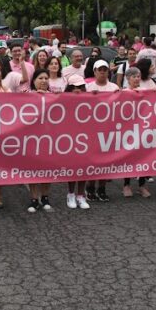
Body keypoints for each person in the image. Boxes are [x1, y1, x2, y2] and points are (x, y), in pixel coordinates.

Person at [84, 60, 120, 201]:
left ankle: (102, 189)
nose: (103, 72)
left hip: (109, 129)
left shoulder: (114, 87)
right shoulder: (88, 87)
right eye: (100, 70)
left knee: (106, 161)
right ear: (95, 71)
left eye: (105, 69)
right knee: (92, 160)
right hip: (92, 130)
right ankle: (90, 188)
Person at [26, 69, 53, 212]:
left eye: (46, 78)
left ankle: (45, 197)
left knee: (46, 169)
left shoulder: (55, 96)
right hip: (31, 139)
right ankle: (34, 198)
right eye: (40, 78)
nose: (43, 81)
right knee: (32, 170)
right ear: (34, 80)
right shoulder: (26, 96)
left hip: (49, 139)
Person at [121, 67, 151, 198]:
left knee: (143, 156)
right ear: (128, 79)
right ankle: (126, 185)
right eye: (134, 76)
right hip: (128, 129)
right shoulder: (123, 92)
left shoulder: (145, 91)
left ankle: (142, 185)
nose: (137, 79)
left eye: (138, 76)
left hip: (143, 128)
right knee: (129, 156)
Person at [64, 74, 90, 210]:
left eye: (80, 87)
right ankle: (71, 194)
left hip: (84, 139)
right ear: (69, 88)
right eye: (74, 87)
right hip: (69, 139)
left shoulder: (89, 101)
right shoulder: (62, 101)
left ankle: (81, 195)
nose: (78, 90)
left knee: (83, 167)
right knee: (72, 168)